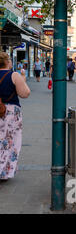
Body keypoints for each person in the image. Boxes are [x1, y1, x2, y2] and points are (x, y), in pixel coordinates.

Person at [0, 52, 31, 182]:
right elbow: (25, 93)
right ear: (7, 61)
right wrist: (22, 78)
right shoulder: (14, 75)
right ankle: (4, 172)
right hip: (10, 112)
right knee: (10, 142)